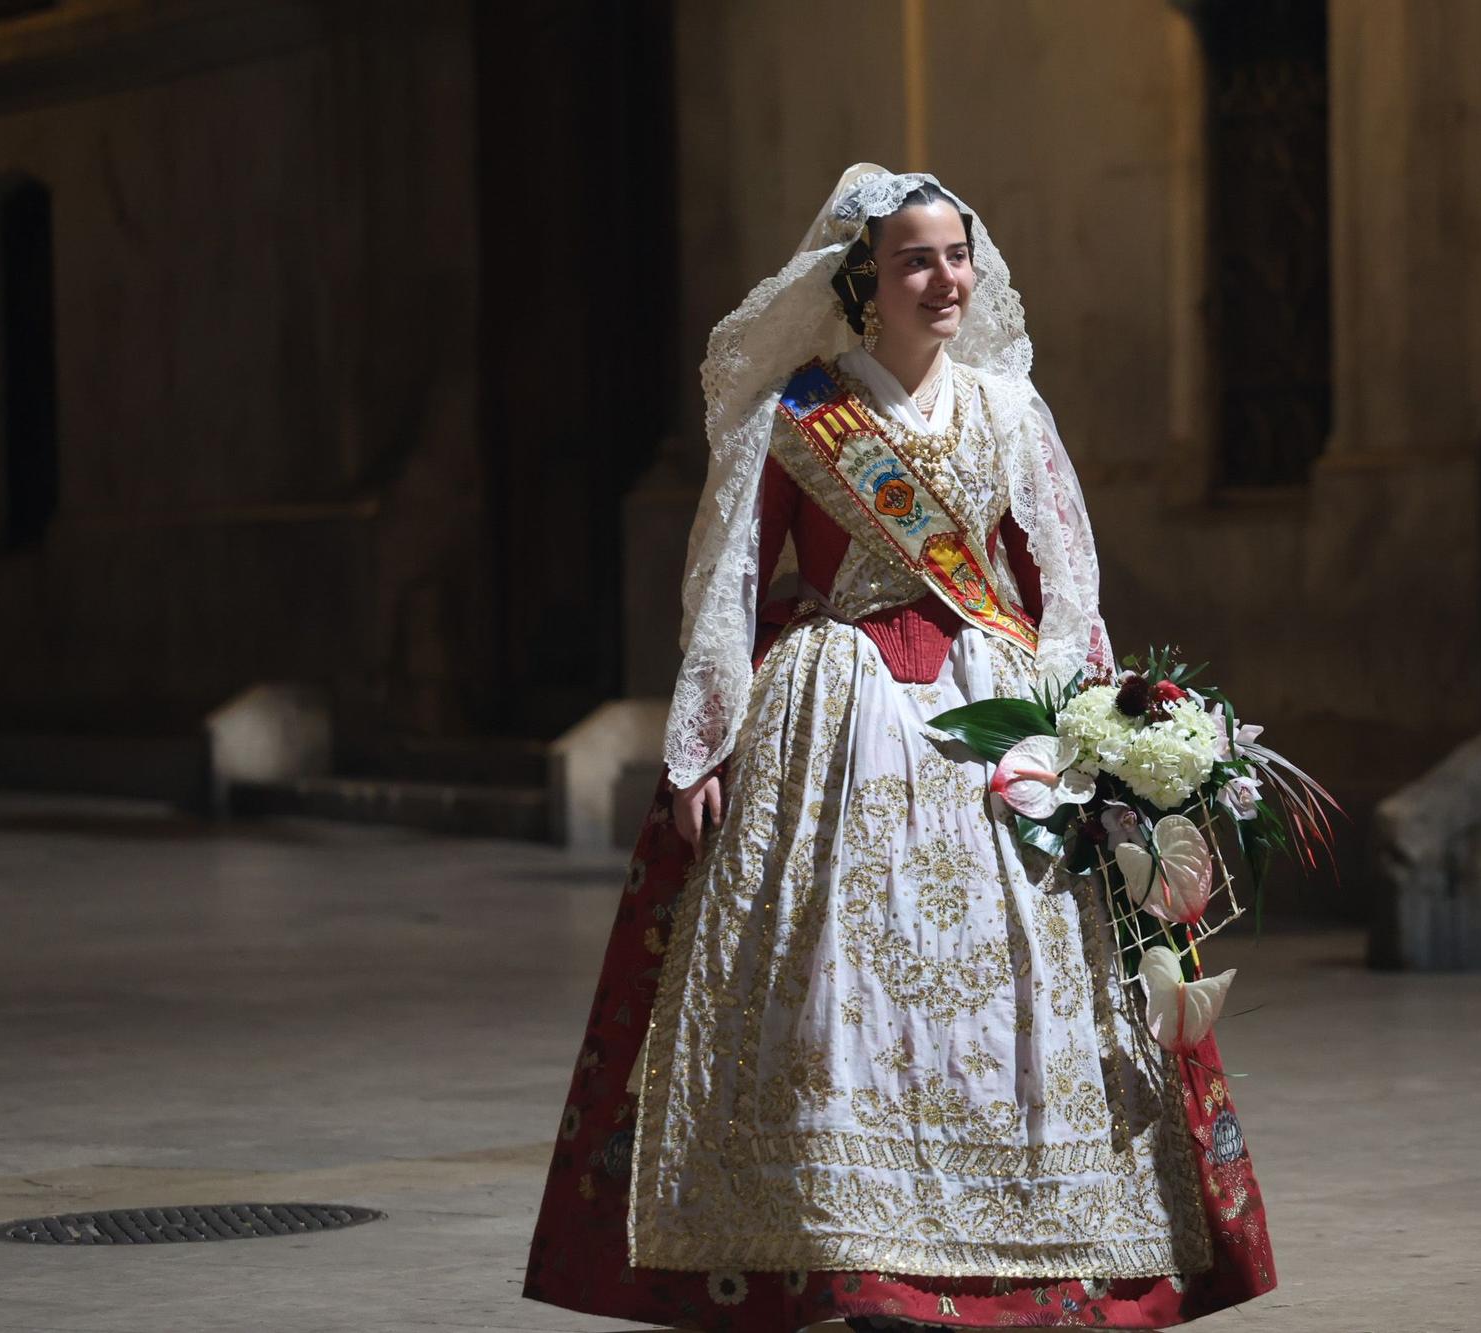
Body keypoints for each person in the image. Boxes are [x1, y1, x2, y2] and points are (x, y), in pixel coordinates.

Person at [522, 165, 1275, 1332]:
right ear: (863, 281)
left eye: (958, 254)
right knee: (840, 972)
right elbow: (728, 581)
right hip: (840, 711)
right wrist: (703, 750)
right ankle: (851, 1254)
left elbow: (1060, 586)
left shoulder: (1009, 410)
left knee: (1020, 982)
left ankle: (1032, 1248)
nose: (945, 278)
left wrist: (1106, 736)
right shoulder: (800, 413)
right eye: (916, 258)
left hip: (997, 721)